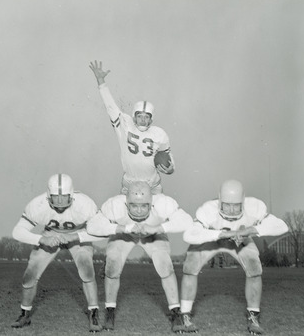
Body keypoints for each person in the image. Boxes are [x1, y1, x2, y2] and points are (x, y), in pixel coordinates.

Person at [180, 179, 289, 335]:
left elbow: (281, 226)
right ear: (219, 202)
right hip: (213, 239)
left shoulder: (254, 207)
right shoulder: (208, 210)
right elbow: (189, 234)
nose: (231, 210)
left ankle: (253, 317)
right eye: (227, 205)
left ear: (243, 202)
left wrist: (250, 230)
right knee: (190, 265)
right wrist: (223, 234)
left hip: (241, 240)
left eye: (236, 205)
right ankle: (185, 315)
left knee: (254, 267)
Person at [87, 181, 194, 333]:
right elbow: (92, 226)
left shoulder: (162, 203)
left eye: (144, 206)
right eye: (134, 206)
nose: (138, 211)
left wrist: (157, 228)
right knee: (113, 265)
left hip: (153, 235)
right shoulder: (115, 205)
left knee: (165, 265)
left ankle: (175, 312)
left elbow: (187, 221)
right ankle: (110, 311)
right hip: (123, 235)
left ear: (151, 204)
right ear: (126, 204)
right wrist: (121, 228)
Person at [11, 173, 105, 332]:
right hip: (50, 234)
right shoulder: (38, 204)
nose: (60, 201)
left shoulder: (85, 204)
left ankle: (94, 314)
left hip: (79, 233)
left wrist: (75, 236)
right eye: (56, 197)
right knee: (30, 275)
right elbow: (17, 232)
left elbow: (102, 231)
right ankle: (24, 314)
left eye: (64, 197)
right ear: (48, 196)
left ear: (72, 194)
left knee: (87, 270)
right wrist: (41, 239)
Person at [89, 60, 175, 195]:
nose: (143, 120)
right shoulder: (125, 125)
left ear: (151, 120)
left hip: (153, 186)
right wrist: (101, 82)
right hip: (130, 185)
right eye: (139, 116)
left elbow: (169, 159)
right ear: (134, 117)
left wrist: (170, 168)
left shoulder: (160, 134)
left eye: (146, 117)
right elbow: (110, 106)